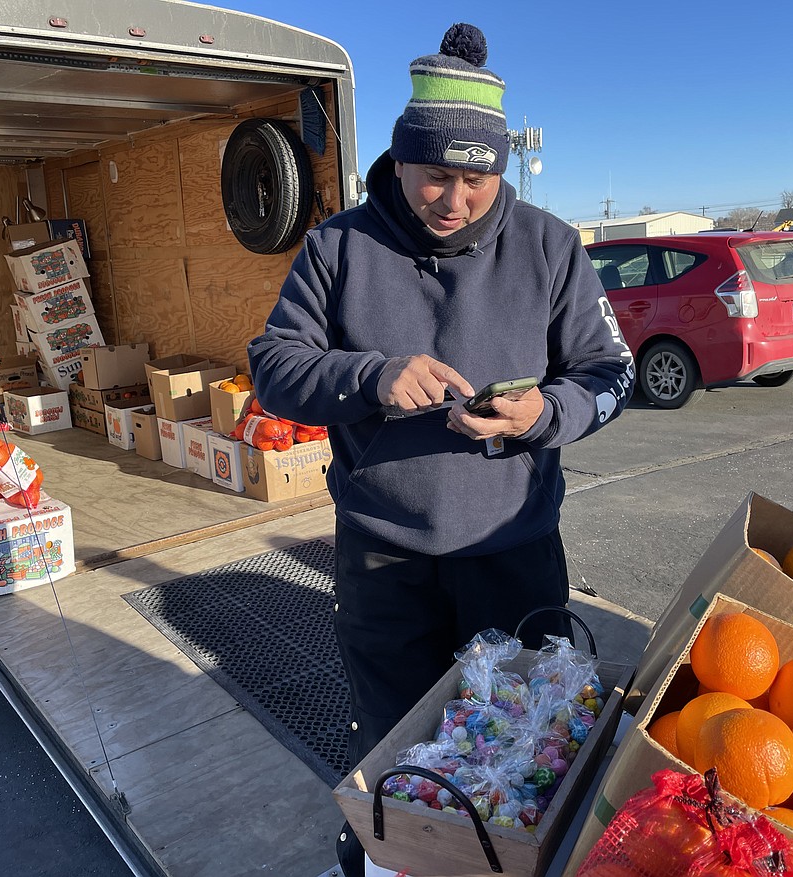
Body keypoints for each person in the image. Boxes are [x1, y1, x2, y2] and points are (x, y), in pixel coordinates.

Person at [246, 22, 635, 875]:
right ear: (400, 160)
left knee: (522, 755)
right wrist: (372, 377)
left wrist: (541, 412)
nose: (453, 200)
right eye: (434, 177)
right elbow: (272, 368)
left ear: (501, 168)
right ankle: (388, 861)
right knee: (397, 748)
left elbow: (613, 374)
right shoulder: (339, 246)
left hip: (514, 552)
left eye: (475, 178)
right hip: (384, 563)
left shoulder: (549, 246)